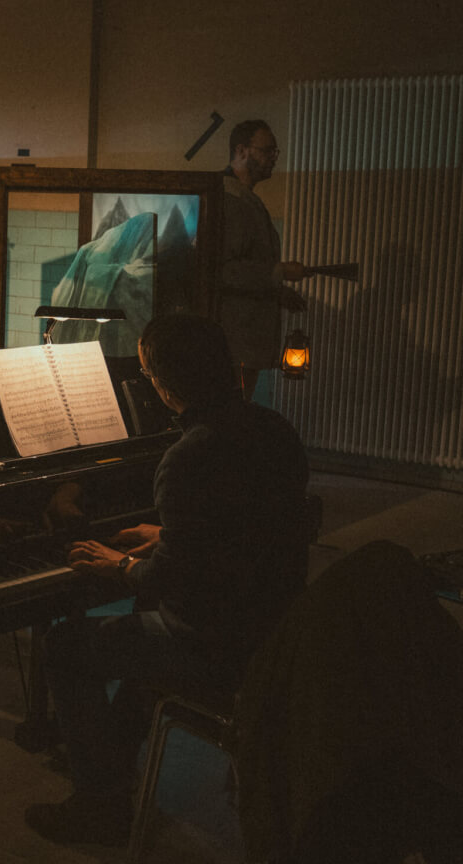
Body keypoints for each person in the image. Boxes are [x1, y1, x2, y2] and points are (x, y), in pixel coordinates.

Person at [24, 313, 309, 846]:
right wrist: (171, 534)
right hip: (278, 632)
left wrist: (122, 564)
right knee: (133, 637)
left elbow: (167, 582)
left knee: (65, 645)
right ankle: (108, 764)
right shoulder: (275, 430)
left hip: (220, 647)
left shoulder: (189, 455)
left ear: (164, 382)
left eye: (149, 374)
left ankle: (99, 806)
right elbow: (245, 534)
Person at [218, 119, 306, 399]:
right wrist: (278, 272)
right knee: (230, 412)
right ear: (242, 151)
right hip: (234, 340)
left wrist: (278, 292)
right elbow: (225, 269)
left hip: (243, 341)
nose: (272, 159)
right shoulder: (230, 199)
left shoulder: (244, 198)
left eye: (275, 153)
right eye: (266, 151)